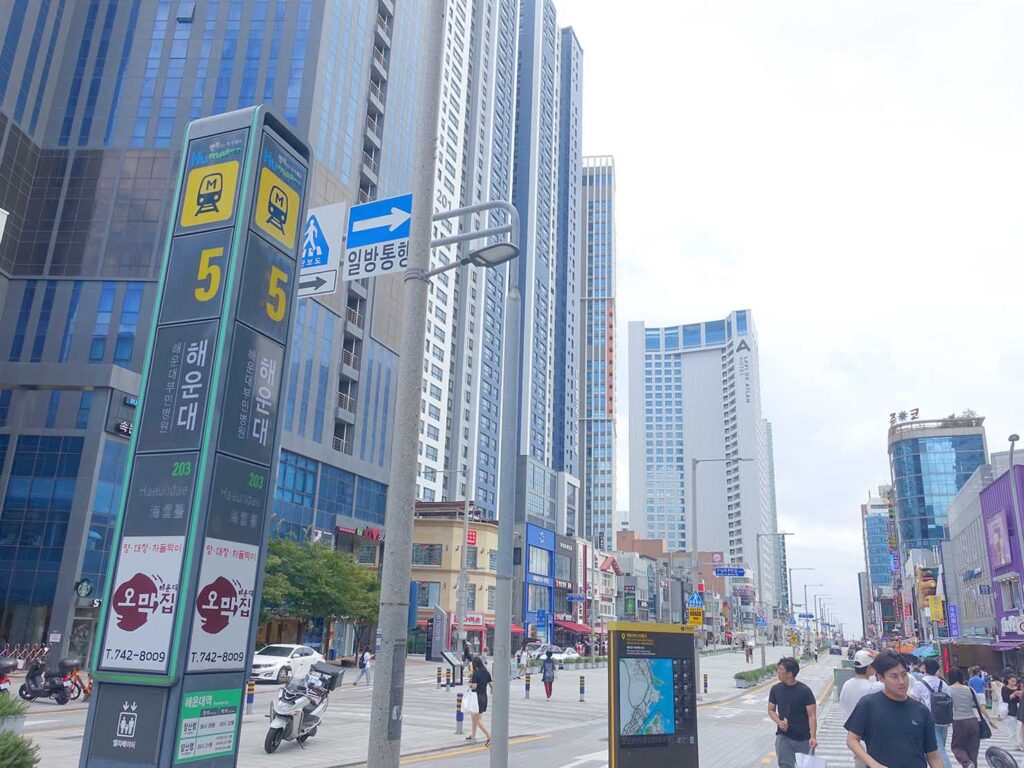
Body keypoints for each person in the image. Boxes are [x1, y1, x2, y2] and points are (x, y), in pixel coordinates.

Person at [844, 650, 945, 768]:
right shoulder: (868, 704)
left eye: (904, 675)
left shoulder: (921, 711)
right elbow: (852, 740)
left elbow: (933, 755)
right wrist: (873, 764)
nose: (901, 682)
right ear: (881, 678)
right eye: (894, 676)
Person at [767, 657, 817, 768]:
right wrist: (779, 722)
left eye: (781, 670)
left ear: (790, 674)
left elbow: (812, 715)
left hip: (803, 739)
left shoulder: (805, 691)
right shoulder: (775, 689)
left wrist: (813, 737)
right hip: (784, 737)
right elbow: (771, 710)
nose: (778, 672)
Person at [840, 650, 883, 768]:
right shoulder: (873, 687)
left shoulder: (846, 685)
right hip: (871, 740)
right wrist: (881, 657)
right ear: (869, 667)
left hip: (853, 737)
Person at [948, 666, 996, 767]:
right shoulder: (970, 689)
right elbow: (980, 706)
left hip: (959, 721)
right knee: (973, 752)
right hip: (973, 721)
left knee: (956, 747)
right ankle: (971, 763)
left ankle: (967, 763)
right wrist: (990, 719)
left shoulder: (948, 690)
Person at [910, 658, 953, 768]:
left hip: (929, 719)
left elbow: (913, 701)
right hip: (944, 719)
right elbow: (950, 699)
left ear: (925, 668)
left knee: (939, 750)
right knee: (940, 747)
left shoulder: (919, 684)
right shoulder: (943, 684)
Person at [466, 656, 493, 746]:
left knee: (478, 719)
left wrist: (469, 684)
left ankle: (490, 737)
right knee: (474, 717)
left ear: (474, 665)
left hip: (476, 698)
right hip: (484, 697)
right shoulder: (486, 673)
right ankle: (473, 736)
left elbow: (474, 686)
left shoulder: (476, 674)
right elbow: (492, 686)